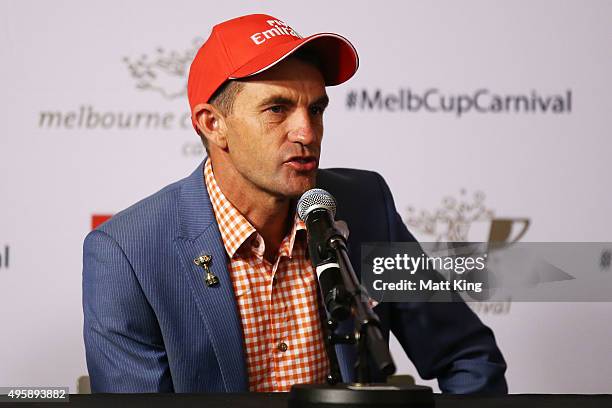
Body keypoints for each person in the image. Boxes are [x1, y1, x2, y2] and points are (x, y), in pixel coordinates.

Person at [83, 13, 507, 394]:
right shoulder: (126, 254)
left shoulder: (365, 206)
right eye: (277, 109)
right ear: (214, 125)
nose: (307, 132)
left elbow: (466, 355)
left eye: (317, 109)